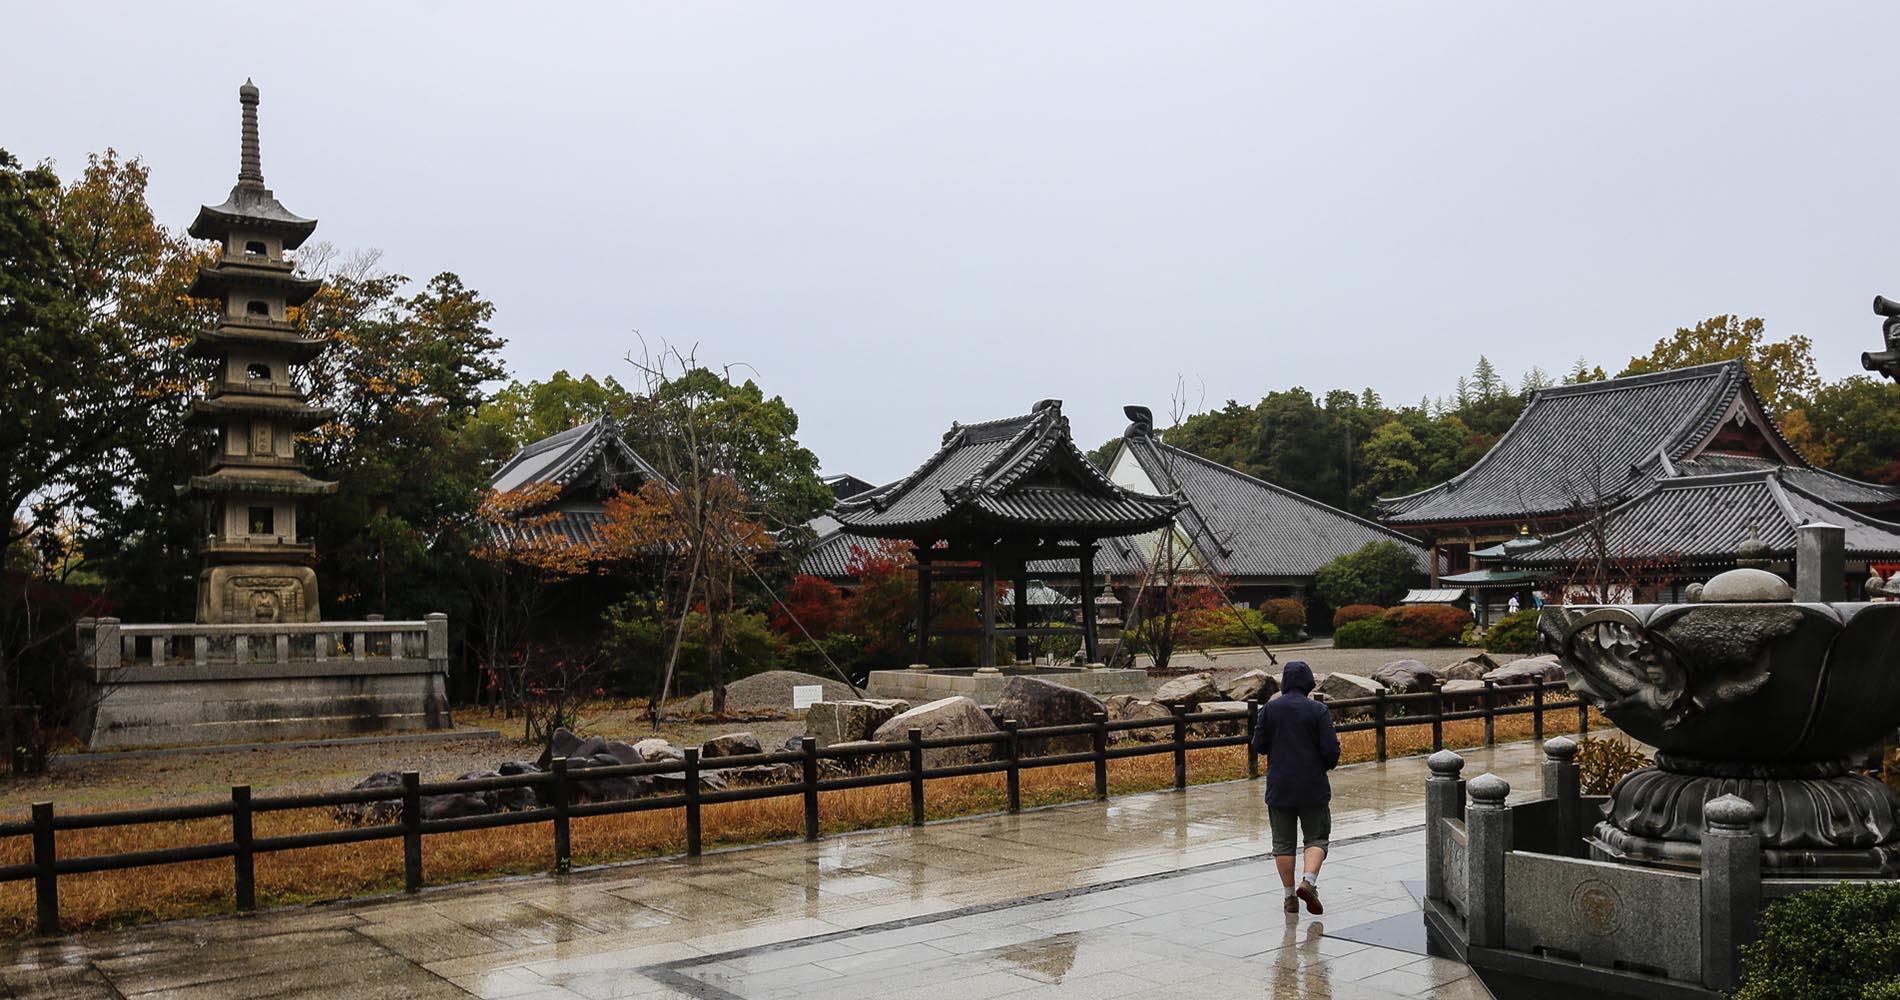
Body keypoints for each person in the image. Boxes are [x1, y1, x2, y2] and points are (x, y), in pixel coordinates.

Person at [1250, 660, 1340, 914]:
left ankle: (1290, 897)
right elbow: (1330, 749)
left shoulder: (1269, 709)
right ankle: (1308, 882)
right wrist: (1326, 763)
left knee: (1283, 844)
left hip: (1280, 786)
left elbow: (1259, 744)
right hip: (1313, 785)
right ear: (1309, 683)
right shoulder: (1318, 710)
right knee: (1316, 837)